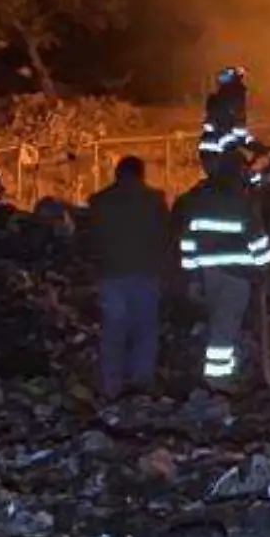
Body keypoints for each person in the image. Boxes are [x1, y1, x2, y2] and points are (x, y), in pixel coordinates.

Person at [174, 153, 270, 389]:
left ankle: (221, 373)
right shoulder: (241, 201)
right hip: (236, 275)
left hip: (208, 274)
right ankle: (217, 380)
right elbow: (256, 238)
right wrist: (265, 266)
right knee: (225, 326)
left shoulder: (201, 200)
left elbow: (188, 241)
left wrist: (193, 279)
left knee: (218, 323)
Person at [85, 155, 173, 399]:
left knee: (114, 330)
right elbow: (167, 237)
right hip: (145, 274)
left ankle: (111, 385)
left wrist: (95, 268)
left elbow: (88, 240)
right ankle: (141, 383)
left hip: (111, 276)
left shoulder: (99, 201)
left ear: (117, 174)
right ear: (141, 173)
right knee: (145, 330)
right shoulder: (154, 200)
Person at [198, 66, 262, 177]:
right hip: (218, 156)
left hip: (216, 155)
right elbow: (229, 136)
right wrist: (253, 147)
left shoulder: (225, 103)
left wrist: (256, 145)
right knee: (251, 178)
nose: (244, 90)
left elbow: (239, 133)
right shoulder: (227, 106)